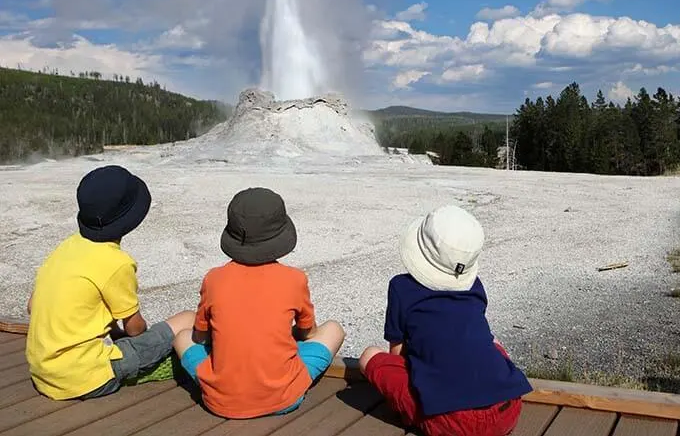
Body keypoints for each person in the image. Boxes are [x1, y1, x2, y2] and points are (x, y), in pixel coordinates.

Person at [173, 187, 346, 419]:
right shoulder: (294, 278)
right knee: (333, 328)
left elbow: (200, 337)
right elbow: (308, 332)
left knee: (182, 336)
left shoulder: (213, 278)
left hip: (219, 401)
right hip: (284, 397)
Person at [26, 164, 196, 401]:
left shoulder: (66, 248)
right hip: (87, 378)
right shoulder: (116, 263)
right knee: (188, 318)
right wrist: (147, 345)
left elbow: (32, 305)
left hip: (43, 373)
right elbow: (135, 328)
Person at [359, 205, 532, 436]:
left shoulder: (401, 288)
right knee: (493, 343)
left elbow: (397, 354)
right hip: (507, 410)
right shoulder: (475, 286)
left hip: (451, 422)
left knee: (369, 356)